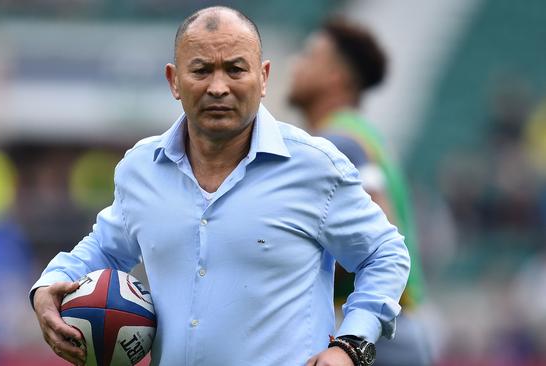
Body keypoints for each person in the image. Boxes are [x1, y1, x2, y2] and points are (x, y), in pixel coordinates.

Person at [31, 7, 410, 366]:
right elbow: (105, 247)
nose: (218, 87)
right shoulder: (141, 168)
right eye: (201, 70)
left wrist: (353, 343)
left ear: (263, 78)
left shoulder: (314, 166)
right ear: (173, 81)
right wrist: (48, 286)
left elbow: (384, 253)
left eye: (235, 69)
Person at [288, 18, 431, 365]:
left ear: (336, 77)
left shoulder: (334, 143)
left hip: (367, 338)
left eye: (309, 56)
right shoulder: (364, 135)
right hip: (399, 331)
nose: (295, 64)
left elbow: (380, 227)